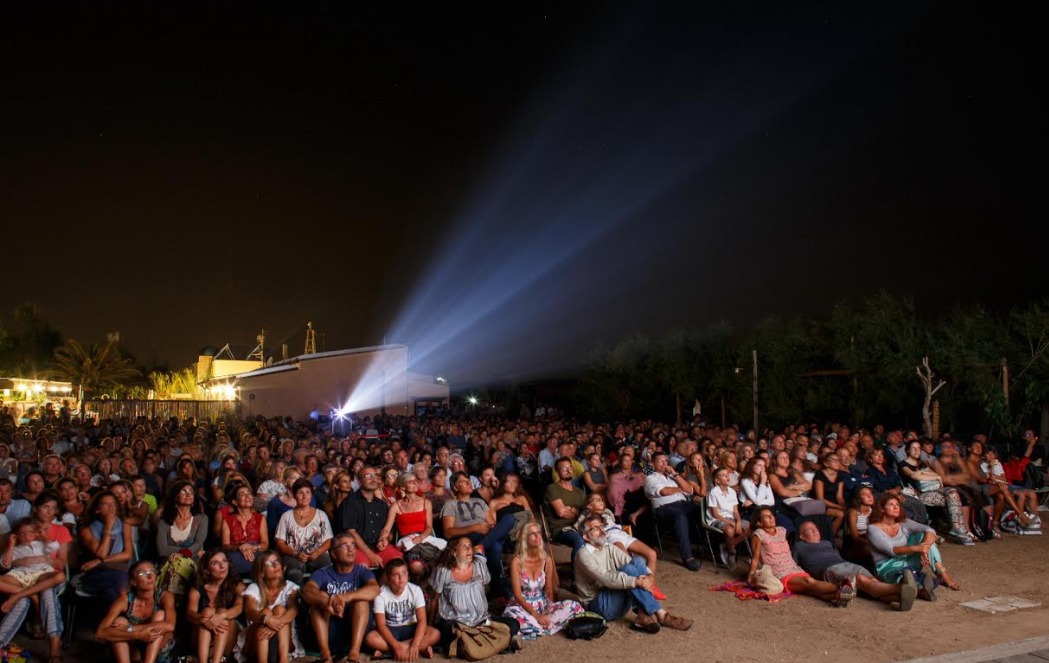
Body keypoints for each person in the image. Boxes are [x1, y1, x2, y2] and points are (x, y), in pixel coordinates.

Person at [574, 515, 692, 633]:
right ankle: (661, 614)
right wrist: (636, 581)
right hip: (599, 607)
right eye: (595, 528)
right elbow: (605, 578)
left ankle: (642, 614)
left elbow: (630, 565)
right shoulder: (583, 554)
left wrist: (649, 577)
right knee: (631, 573)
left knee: (638, 561)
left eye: (601, 526)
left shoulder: (608, 547)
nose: (601, 530)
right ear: (586, 537)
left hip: (619, 602)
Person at [794, 521, 916, 611]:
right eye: (809, 529)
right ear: (802, 536)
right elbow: (793, 564)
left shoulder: (827, 543)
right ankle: (899, 588)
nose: (815, 530)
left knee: (871, 583)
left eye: (815, 527)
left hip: (847, 564)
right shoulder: (799, 547)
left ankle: (899, 599)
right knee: (859, 579)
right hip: (830, 569)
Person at [747, 506, 854, 607]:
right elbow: (755, 558)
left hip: (793, 567)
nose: (771, 518)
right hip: (779, 572)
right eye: (766, 516)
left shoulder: (782, 531)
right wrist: (751, 576)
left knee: (810, 589)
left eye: (771, 515)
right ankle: (842, 586)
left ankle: (839, 596)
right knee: (809, 582)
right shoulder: (759, 534)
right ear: (759, 523)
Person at [428, 537, 521, 649]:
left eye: (470, 546)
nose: (469, 549)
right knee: (449, 630)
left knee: (514, 624)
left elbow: (483, 591)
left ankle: (474, 639)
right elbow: (435, 600)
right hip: (457, 622)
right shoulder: (444, 571)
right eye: (464, 547)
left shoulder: (479, 565)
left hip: (481, 620)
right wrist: (430, 625)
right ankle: (497, 639)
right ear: (454, 552)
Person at [301, 533, 379, 663]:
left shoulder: (362, 571)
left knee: (361, 602)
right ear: (333, 554)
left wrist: (346, 597)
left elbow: (375, 589)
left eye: (353, 545)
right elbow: (306, 591)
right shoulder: (323, 573)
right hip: (329, 632)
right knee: (318, 601)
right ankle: (325, 655)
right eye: (345, 546)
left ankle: (354, 655)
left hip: (355, 633)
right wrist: (326, 600)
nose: (351, 549)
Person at [866, 494, 961, 600]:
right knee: (903, 578)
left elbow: (930, 530)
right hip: (887, 566)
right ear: (882, 509)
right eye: (891, 505)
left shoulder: (904, 523)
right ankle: (921, 590)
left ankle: (942, 573)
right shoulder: (873, 529)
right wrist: (917, 548)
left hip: (909, 560)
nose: (896, 507)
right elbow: (892, 550)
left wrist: (924, 549)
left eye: (897, 504)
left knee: (924, 536)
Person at [503, 521, 584, 639]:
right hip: (523, 606)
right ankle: (543, 624)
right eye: (532, 534)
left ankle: (542, 624)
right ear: (525, 539)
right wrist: (536, 615)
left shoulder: (547, 559)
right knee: (514, 618)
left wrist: (548, 610)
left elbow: (549, 590)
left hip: (542, 603)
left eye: (539, 532)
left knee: (574, 605)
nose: (538, 536)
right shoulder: (516, 561)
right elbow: (517, 595)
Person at [442, 471, 517, 595]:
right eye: (463, 481)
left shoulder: (479, 501)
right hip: (468, 538)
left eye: (469, 480)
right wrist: (474, 527)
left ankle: (481, 547)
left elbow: (492, 523)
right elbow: (448, 532)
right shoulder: (450, 504)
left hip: (486, 535)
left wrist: (490, 529)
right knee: (496, 546)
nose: (468, 483)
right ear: (455, 487)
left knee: (510, 518)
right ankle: (497, 585)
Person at [95, 559, 177, 663]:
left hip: (158, 649)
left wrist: (129, 628)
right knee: (119, 621)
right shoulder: (124, 600)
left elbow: (170, 625)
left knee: (160, 615)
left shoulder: (165, 596)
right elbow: (100, 633)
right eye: (143, 573)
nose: (150, 576)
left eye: (152, 571)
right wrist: (138, 635)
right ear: (133, 582)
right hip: (134, 650)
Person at [363, 558, 441, 659]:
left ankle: (392, 651)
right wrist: (396, 646)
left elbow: (422, 621)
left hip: (412, 628)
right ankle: (419, 649)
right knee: (370, 638)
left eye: (404, 573)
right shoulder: (381, 594)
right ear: (388, 578)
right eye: (396, 575)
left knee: (435, 634)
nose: (401, 578)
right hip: (391, 630)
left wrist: (415, 644)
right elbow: (381, 625)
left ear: (408, 575)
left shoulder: (415, 590)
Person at [897, 440, 972, 544]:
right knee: (950, 501)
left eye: (918, 448)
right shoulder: (903, 464)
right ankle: (960, 531)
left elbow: (937, 476)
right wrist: (925, 474)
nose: (916, 450)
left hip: (931, 490)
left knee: (953, 492)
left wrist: (925, 473)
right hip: (916, 494)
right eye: (913, 448)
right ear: (907, 450)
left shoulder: (921, 463)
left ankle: (956, 527)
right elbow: (914, 476)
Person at [242, 550, 304, 663]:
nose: (276, 565)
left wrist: (276, 623)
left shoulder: (290, 587)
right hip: (256, 638)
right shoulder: (254, 587)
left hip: (284, 637)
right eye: (269, 564)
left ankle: (283, 660)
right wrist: (266, 620)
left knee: (280, 609)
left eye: (277, 561)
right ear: (261, 573)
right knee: (266, 611)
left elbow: (294, 608)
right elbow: (250, 611)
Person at [644, 452, 702, 571]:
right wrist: (681, 489)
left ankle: (721, 547)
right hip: (664, 508)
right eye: (660, 461)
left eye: (666, 461)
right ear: (653, 464)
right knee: (680, 516)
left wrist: (675, 475)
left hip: (683, 504)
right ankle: (688, 558)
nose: (665, 463)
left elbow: (690, 491)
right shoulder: (650, 478)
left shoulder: (673, 476)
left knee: (703, 510)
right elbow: (664, 492)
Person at [337, 465, 404, 568]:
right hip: (357, 548)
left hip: (378, 548)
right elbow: (350, 532)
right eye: (368, 476)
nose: (373, 479)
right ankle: (371, 584)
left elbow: (388, 531)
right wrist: (370, 554)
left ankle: (382, 584)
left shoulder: (382, 505)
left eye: (375, 475)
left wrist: (385, 540)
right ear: (359, 482)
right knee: (362, 566)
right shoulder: (349, 503)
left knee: (397, 562)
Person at [186, 549, 245, 663]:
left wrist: (221, 616)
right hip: (201, 641)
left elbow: (239, 608)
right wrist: (204, 620)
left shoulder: (238, 586)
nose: (222, 566)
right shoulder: (197, 589)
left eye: (224, 561)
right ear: (207, 570)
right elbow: (189, 613)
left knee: (222, 613)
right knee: (207, 612)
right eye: (215, 563)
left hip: (227, 641)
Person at [0, 517, 66, 614]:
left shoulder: (41, 544)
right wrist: (11, 544)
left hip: (41, 574)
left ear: (35, 533)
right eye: (22, 533)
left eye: (30, 532)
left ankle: (19, 594)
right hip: (22, 575)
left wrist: (44, 537)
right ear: (16, 535)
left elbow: (54, 547)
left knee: (60, 576)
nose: (26, 536)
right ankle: (32, 594)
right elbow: (5, 564)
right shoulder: (15, 549)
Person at [79, 489, 134, 604]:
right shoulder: (87, 530)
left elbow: (127, 554)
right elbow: (101, 554)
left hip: (120, 569)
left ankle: (114, 619)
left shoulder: (125, 525)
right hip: (97, 573)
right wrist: (108, 527)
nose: (111, 507)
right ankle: (121, 618)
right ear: (97, 509)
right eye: (106, 504)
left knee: (115, 586)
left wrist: (98, 561)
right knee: (117, 586)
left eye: (113, 503)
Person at [274, 479, 333, 584]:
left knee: (326, 570)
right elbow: (280, 543)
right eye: (301, 492)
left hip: (318, 554)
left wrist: (318, 552)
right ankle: (296, 598)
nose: (305, 496)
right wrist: (295, 553)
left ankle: (321, 598)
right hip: (293, 555)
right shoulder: (286, 516)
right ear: (295, 495)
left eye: (308, 492)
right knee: (293, 572)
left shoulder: (321, 515)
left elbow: (328, 540)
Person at [222, 483, 269, 576]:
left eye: (249, 493)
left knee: (265, 563)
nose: (247, 495)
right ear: (235, 502)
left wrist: (251, 547)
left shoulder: (260, 518)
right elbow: (225, 546)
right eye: (242, 494)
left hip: (256, 552)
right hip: (236, 553)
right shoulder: (227, 520)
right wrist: (239, 547)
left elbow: (265, 544)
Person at [707, 466, 749, 568]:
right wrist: (732, 523)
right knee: (730, 531)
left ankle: (728, 544)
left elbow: (735, 511)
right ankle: (731, 551)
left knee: (748, 526)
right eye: (724, 475)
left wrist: (738, 521)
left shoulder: (732, 492)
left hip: (731, 518)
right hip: (717, 519)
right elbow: (715, 514)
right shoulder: (713, 492)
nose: (727, 477)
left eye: (728, 475)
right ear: (717, 480)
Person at [812, 453, 847, 534]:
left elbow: (839, 496)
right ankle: (831, 537)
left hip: (833, 502)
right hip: (820, 504)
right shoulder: (819, 475)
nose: (837, 462)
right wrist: (838, 507)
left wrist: (843, 505)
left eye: (838, 460)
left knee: (849, 511)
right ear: (826, 463)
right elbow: (820, 498)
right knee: (840, 514)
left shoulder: (839, 476)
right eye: (834, 460)